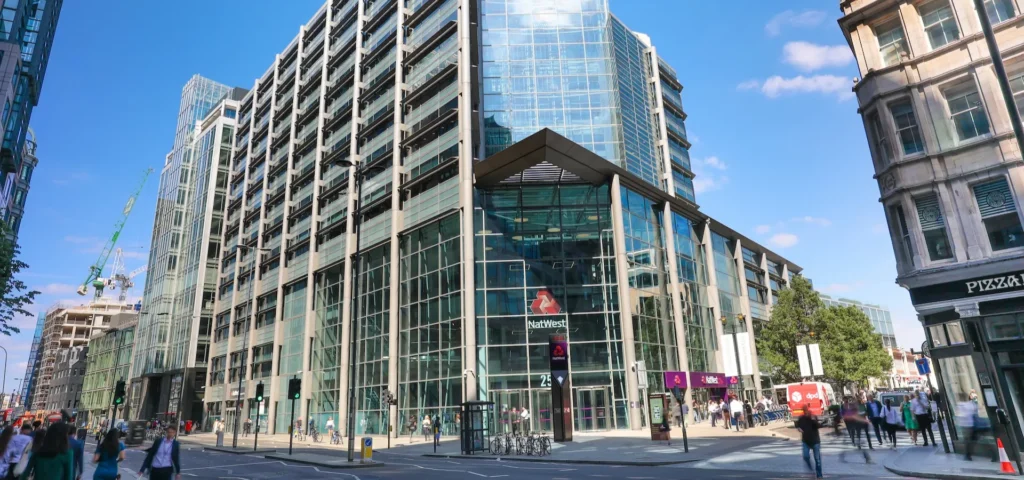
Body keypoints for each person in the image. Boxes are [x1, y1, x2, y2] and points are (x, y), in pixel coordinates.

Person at [796, 404, 823, 479]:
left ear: (808, 409)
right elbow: (798, 426)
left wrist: (813, 420)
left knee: (817, 459)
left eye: (806, 409)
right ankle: (811, 468)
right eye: (804, 410)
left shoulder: (813, 417)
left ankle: (819, 475)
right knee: (806, 456)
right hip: (805, 441)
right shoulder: (801, 418)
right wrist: (799, 429)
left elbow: (818, 426)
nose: (805, 411)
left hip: (815, 440)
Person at [957, 393, 980, 461]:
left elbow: (961, 415)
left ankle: (968, 455)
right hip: (972, 424)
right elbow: (975, 410)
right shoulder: (971, 404)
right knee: (971, 440)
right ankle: (968, 454)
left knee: (967, 440)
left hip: (966, 425)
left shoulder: (961, 405)